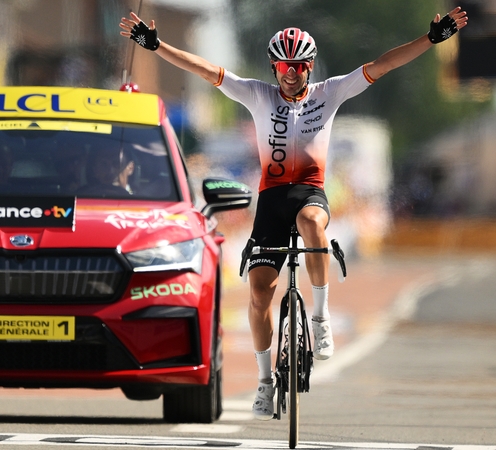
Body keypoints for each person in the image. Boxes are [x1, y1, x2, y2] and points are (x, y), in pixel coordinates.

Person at [120, 7, 468, 420]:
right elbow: (205, 69)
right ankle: (265, 382)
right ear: (274, 66)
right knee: (259, 293)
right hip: (271, 201)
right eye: (285, 65)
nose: (293, 73)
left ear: (310, 65)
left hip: (310, 193)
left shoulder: (330, 92)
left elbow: (384, 63)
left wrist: (430, 39)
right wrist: (157, 46)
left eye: (300, 65)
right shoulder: (256, 94)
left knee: (311, 223)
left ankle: (319, 320)